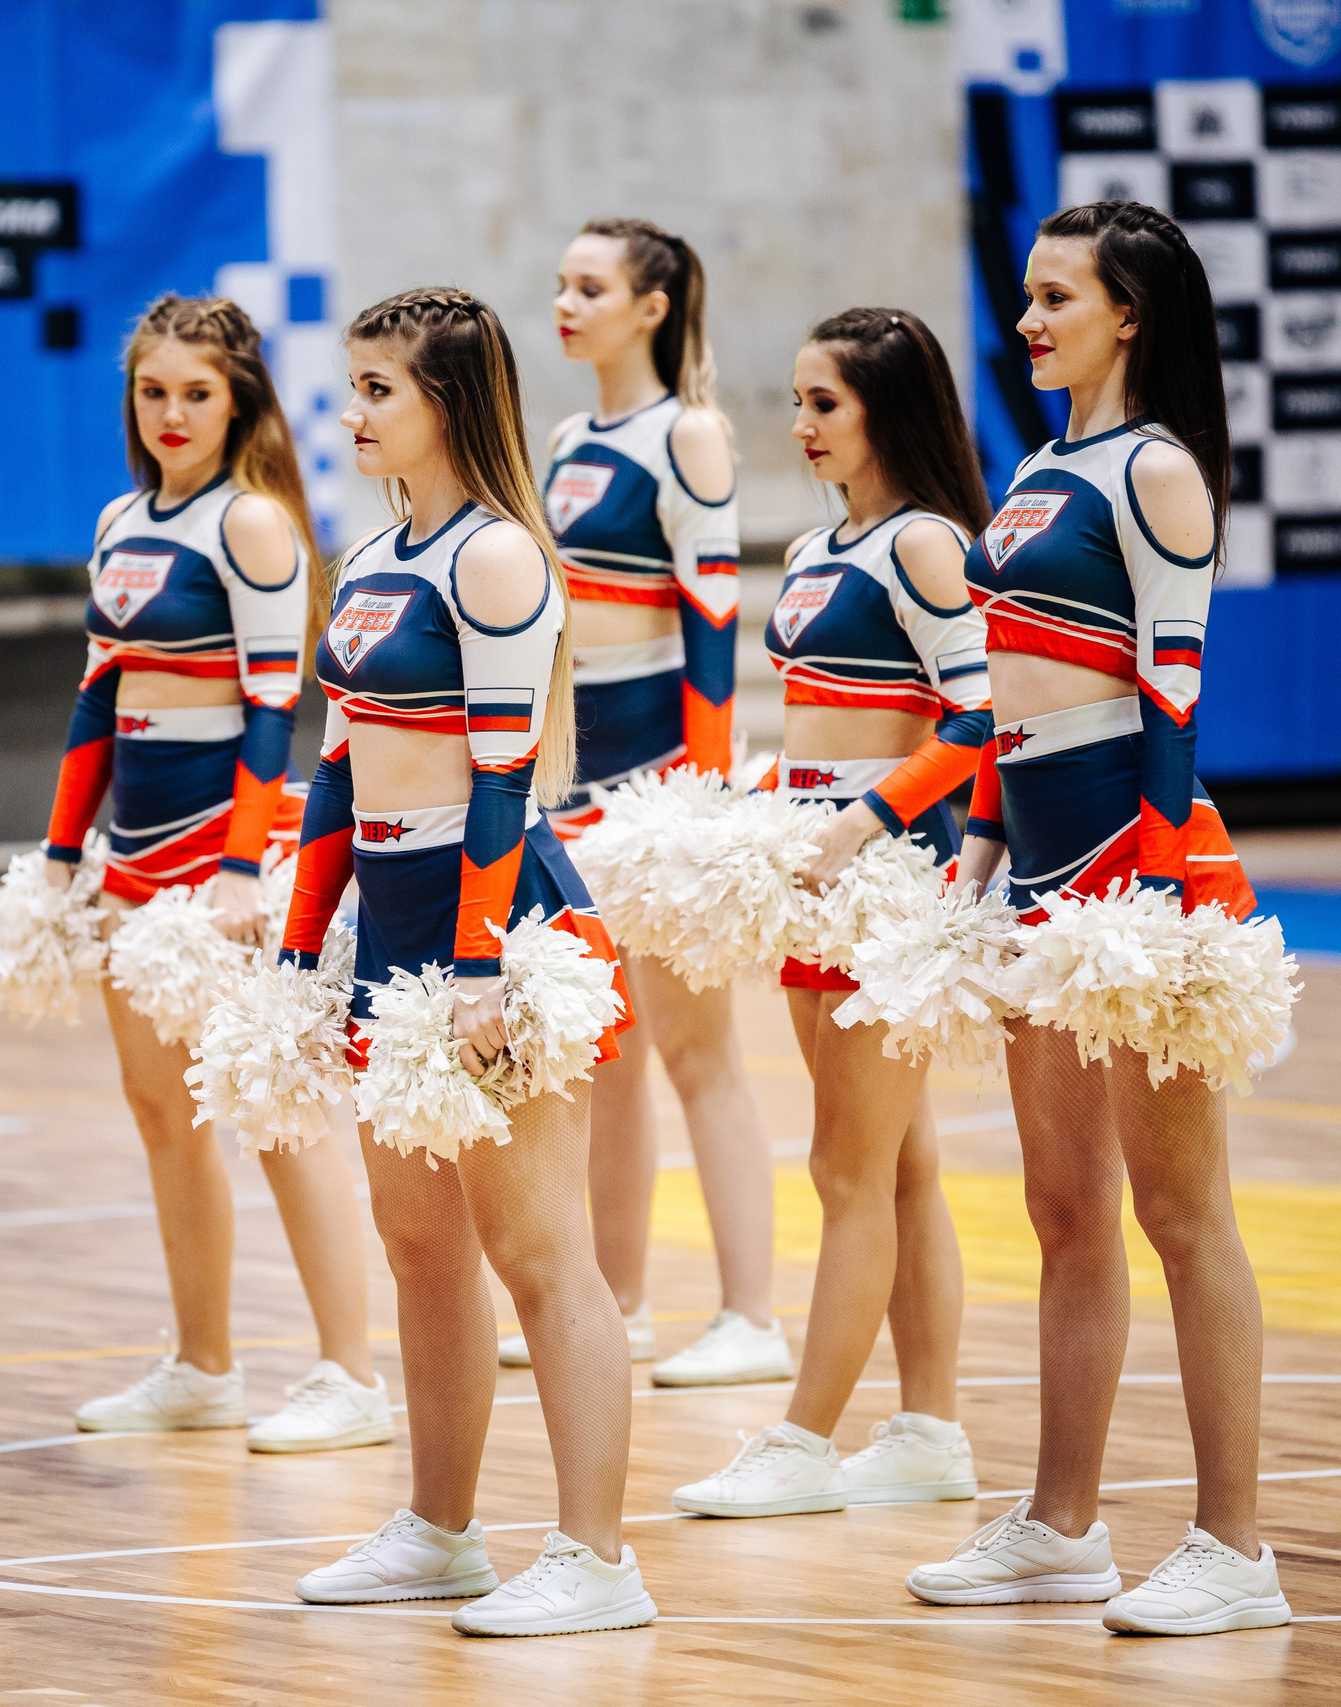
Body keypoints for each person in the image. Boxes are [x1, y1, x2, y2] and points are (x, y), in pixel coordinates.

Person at [906, 200, 1290, 1636]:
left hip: (1138, 876)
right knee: (1064, 1210)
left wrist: (1155, 898)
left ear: (1130, 313)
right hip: (1038, 878)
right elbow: (1003, 700)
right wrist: (979, 862)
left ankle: (1234, 1546)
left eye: (1057, 297)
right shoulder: (1037, 467)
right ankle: (1061, 1525)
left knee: (1182, 1212)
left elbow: (1174, 696)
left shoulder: (1157, 470)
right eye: (1027, 294)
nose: (1028, 320)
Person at [283, 288, 654, 1637]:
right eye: (353, 384)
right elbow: (338, 771)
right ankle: (439, 1532)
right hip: (390, 920)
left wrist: (483, 963)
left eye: (378, 388)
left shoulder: (494, 556)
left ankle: (597, 1557)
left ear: (447, 400)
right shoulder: (375, 555)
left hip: (490, 923)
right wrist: (299, 945)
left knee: (538, 1249)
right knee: (419, 1244)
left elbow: (502, 778)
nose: (352, 411)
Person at [43, 296, 387, 1455]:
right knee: (163, 1114)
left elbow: (274, 708)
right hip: (133, 862)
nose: (173, 413)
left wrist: (242, 870)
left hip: (228, 861)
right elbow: (96, 702)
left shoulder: (253, 524)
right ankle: (202, 1366)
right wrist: (62, 854)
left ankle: (351, 1374)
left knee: (278, 1111)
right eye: (153, 392)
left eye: (197, 393)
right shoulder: (118, 519)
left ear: (238, 402)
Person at [670, 308, 986, 1519]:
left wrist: (859, 824)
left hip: (885, 883)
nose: (800, 425)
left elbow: (979, 720)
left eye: (826, 404)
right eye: (797, 402)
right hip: (813, 885)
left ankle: (803, 1441)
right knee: (897, 1166)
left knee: (846, 1170)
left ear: (886, 412)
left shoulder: (926, 545)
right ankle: (929, 1432)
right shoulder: (815, 547)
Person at [530, 217, 787, 1388]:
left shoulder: (689, 434)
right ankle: (619, 1303)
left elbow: (713, 622)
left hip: (660, 791)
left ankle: (750, 1316)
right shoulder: (566, 438)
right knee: (606, 1055)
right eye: (561, 284)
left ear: (652, 306)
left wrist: (702, 793)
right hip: (575, 791)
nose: (565, 303)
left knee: (700, 1053)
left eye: (590, 287)